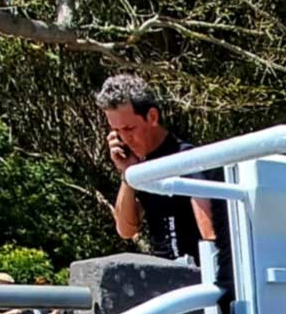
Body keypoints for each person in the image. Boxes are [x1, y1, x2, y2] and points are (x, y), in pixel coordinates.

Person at [96, 75, 230, 270]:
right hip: (164, 276)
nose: (125, 138)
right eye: (117, 131)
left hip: (198, 274)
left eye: (129, 128)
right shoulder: (142, 168)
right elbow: (126, 230)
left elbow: (211, 235)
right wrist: (128, 174)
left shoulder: (186, 160)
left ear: (152, 117)